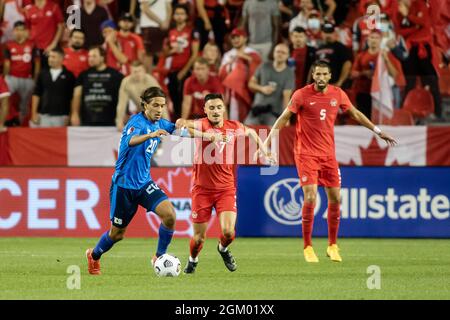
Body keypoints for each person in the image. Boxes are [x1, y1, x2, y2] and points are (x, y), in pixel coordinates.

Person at [263, 60, 397, 263]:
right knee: (310, 197)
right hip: (306, 154)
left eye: (324, 74)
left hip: (328, 156)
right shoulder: (301, 94)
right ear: (313, 75)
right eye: (318, 74)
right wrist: (266, 142)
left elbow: (356, 114)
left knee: (336, 199)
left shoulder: (338, 94)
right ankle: (307, 247)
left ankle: (332, 246)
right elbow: (283, 118)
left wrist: (378, 131)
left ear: (330, 75)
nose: (321, 78)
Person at [85, 87, 179, 275]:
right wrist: (150, 135)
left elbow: (179, 129)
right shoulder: (136, 122)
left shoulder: (160, 122)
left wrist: (200, 130)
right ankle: (94, 255)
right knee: (117, 234)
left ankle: (159, 256)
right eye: (155, 105)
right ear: (145, 105)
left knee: (169, 215)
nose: (159, 109)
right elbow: (130, 141)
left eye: (162, 105)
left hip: (144, 184)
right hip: (124, 186)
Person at [179, 93, 273, 274]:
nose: (215, 111)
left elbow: (252, 132)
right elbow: (182, 124)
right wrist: (207, 136)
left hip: (226, 189)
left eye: (219, 107)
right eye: (211, 108)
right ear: (205, 110)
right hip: (202, 190)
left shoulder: (234, 127)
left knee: (229, 232)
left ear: (224, 109)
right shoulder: (202, 124)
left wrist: (264, 150)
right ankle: (193, 260)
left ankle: (222, 249)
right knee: (198, 238)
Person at [351, 30, 403, 119]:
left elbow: (394, 74)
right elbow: (352, 74)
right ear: (368, 39)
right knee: (364, 121)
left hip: (380, 93)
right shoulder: (361, 55)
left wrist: (386, 59)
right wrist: (363, 73)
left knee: (380, 121)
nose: (374, 40)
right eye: (372, 37)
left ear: (381, 40)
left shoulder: (386, 55)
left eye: (376, 38)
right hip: (363, 92)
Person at [70, 46, 124, 126]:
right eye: (89, 56)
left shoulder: (116, 75)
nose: (90, 59)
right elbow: (77, 96)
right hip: (87, 120)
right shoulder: (83, 75)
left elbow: (123, 96)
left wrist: (123, 115)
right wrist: (74, 114)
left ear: (102, 57)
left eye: (94, 56)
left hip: (110, 120)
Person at [245, 43, 295, 125]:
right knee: (244, 134)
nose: (280, 54)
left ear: (288, 56)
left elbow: (286, 97)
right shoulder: (264, 66)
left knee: (268, 135)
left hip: (273, 113)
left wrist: (286, 119)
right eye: (278, 51)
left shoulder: (289, 73)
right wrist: (261, 88)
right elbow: (251, 84)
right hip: (256, 110)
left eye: (283, 53)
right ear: (273, 53)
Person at [219, 27, 261, 121]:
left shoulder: (252, 53)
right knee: (233, 117)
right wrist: (228, 65)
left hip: (246, 89)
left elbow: (258, 69)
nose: (235, 40)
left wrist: (245, 58)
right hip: (230, 90)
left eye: (238, 37)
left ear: (245, 38)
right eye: (233, 38)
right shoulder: (228, 55)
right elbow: (221, 74)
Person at [3, 21, 40, 124]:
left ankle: (21, 123)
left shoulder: (32, 45)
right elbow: (7, 64)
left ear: (26, 31)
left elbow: (37, 64)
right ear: (13, 31)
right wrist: (5, 80)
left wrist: (35, 80)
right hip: (11, 78)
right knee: (3, 97)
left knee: (25, 104)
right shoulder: (8, 45)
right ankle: (5, 120)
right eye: (16, 30)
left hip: (27, 79)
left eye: (21, 29)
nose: (19, 32)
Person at [30, 47, 75, 127]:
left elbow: (72, 98)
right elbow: (36, 94)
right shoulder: (42, 74)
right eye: (49, 56)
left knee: (60, 139)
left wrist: (71, 115)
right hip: (44, 115)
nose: (50, 59)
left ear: (61, 58)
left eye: (53, 57)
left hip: (62, 116)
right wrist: (34, 113)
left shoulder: (69, 75)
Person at [116, 61, 162, 131]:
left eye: (139, 71)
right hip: (141, 112)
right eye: (135, 72)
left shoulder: (151, 81)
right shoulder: (126, 82)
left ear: (144, 71)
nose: (137, 74)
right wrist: (119, 122)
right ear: (130, 72)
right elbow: (121, 104)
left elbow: (161, 103)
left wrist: (166, 122)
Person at [23, 0, 64, 69]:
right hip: (34, 48)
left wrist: (53, 44)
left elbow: (61, 26)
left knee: (48, 73)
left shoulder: (54, 7)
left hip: (49, 48)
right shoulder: (28, 9)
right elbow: (27, 29)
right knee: (34, 72)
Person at [315, 22, 353, 89]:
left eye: (330, 32)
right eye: (326, 32)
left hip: (334, 85)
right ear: (322, 34)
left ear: (334, 33)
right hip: (320, 86)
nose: (328, 35)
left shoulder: (340, 47)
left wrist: (340, 82)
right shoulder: (318, 48)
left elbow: (347, 64)